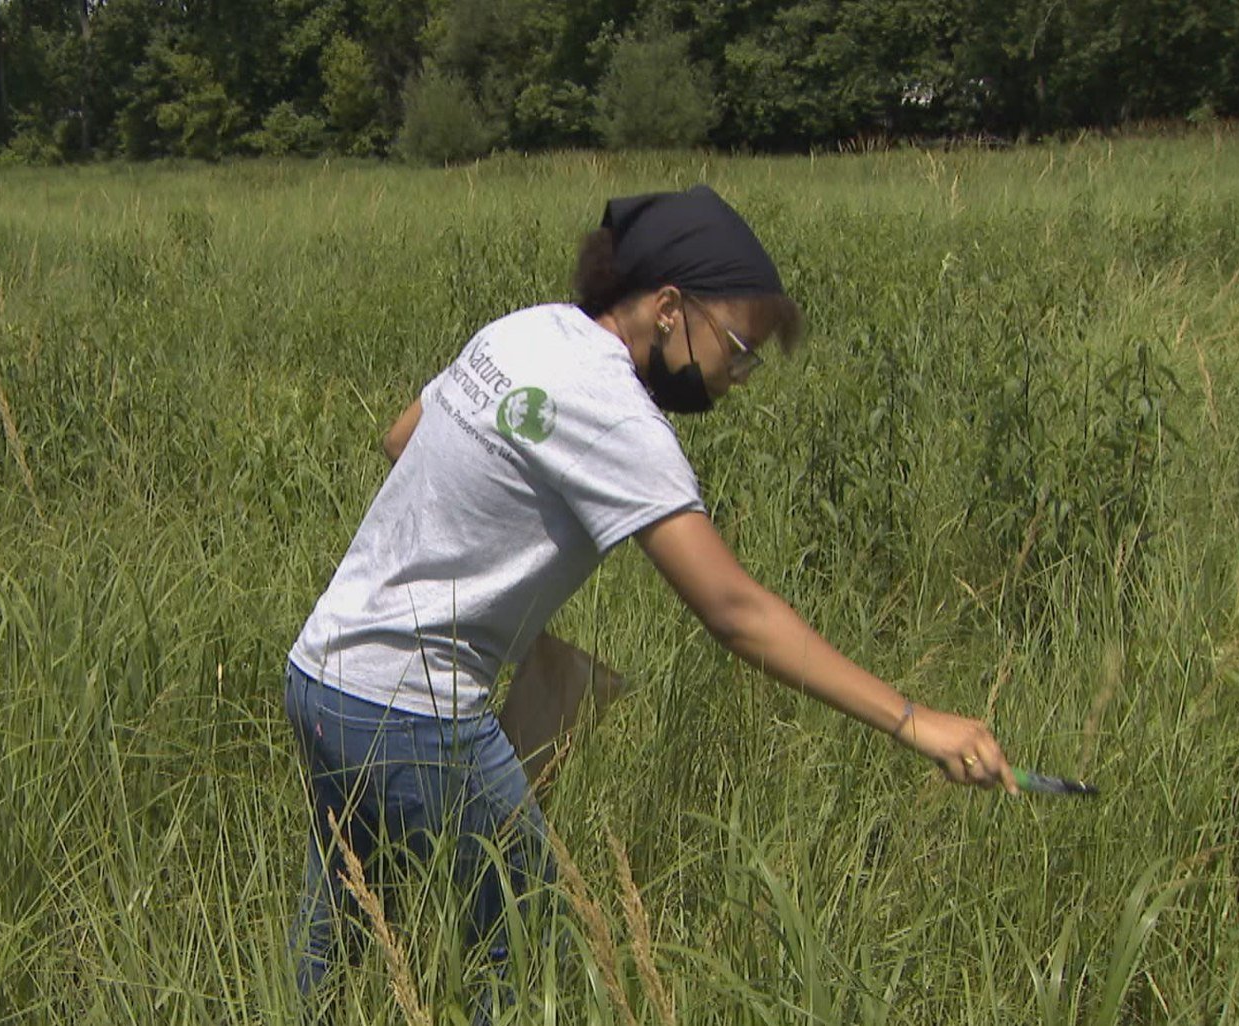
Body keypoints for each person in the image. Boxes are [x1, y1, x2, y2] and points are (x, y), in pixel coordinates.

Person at [283, 185, 1016, 1021]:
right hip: (414, 713)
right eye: (738, 349)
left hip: (321, 674)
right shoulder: (617, 415)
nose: (738, 379)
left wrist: (488, 598)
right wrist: (916, 722)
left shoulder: (525, 330)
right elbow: (734, 610)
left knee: (336, 929)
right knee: (526, 949)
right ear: (670, 309)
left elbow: (404, 437)